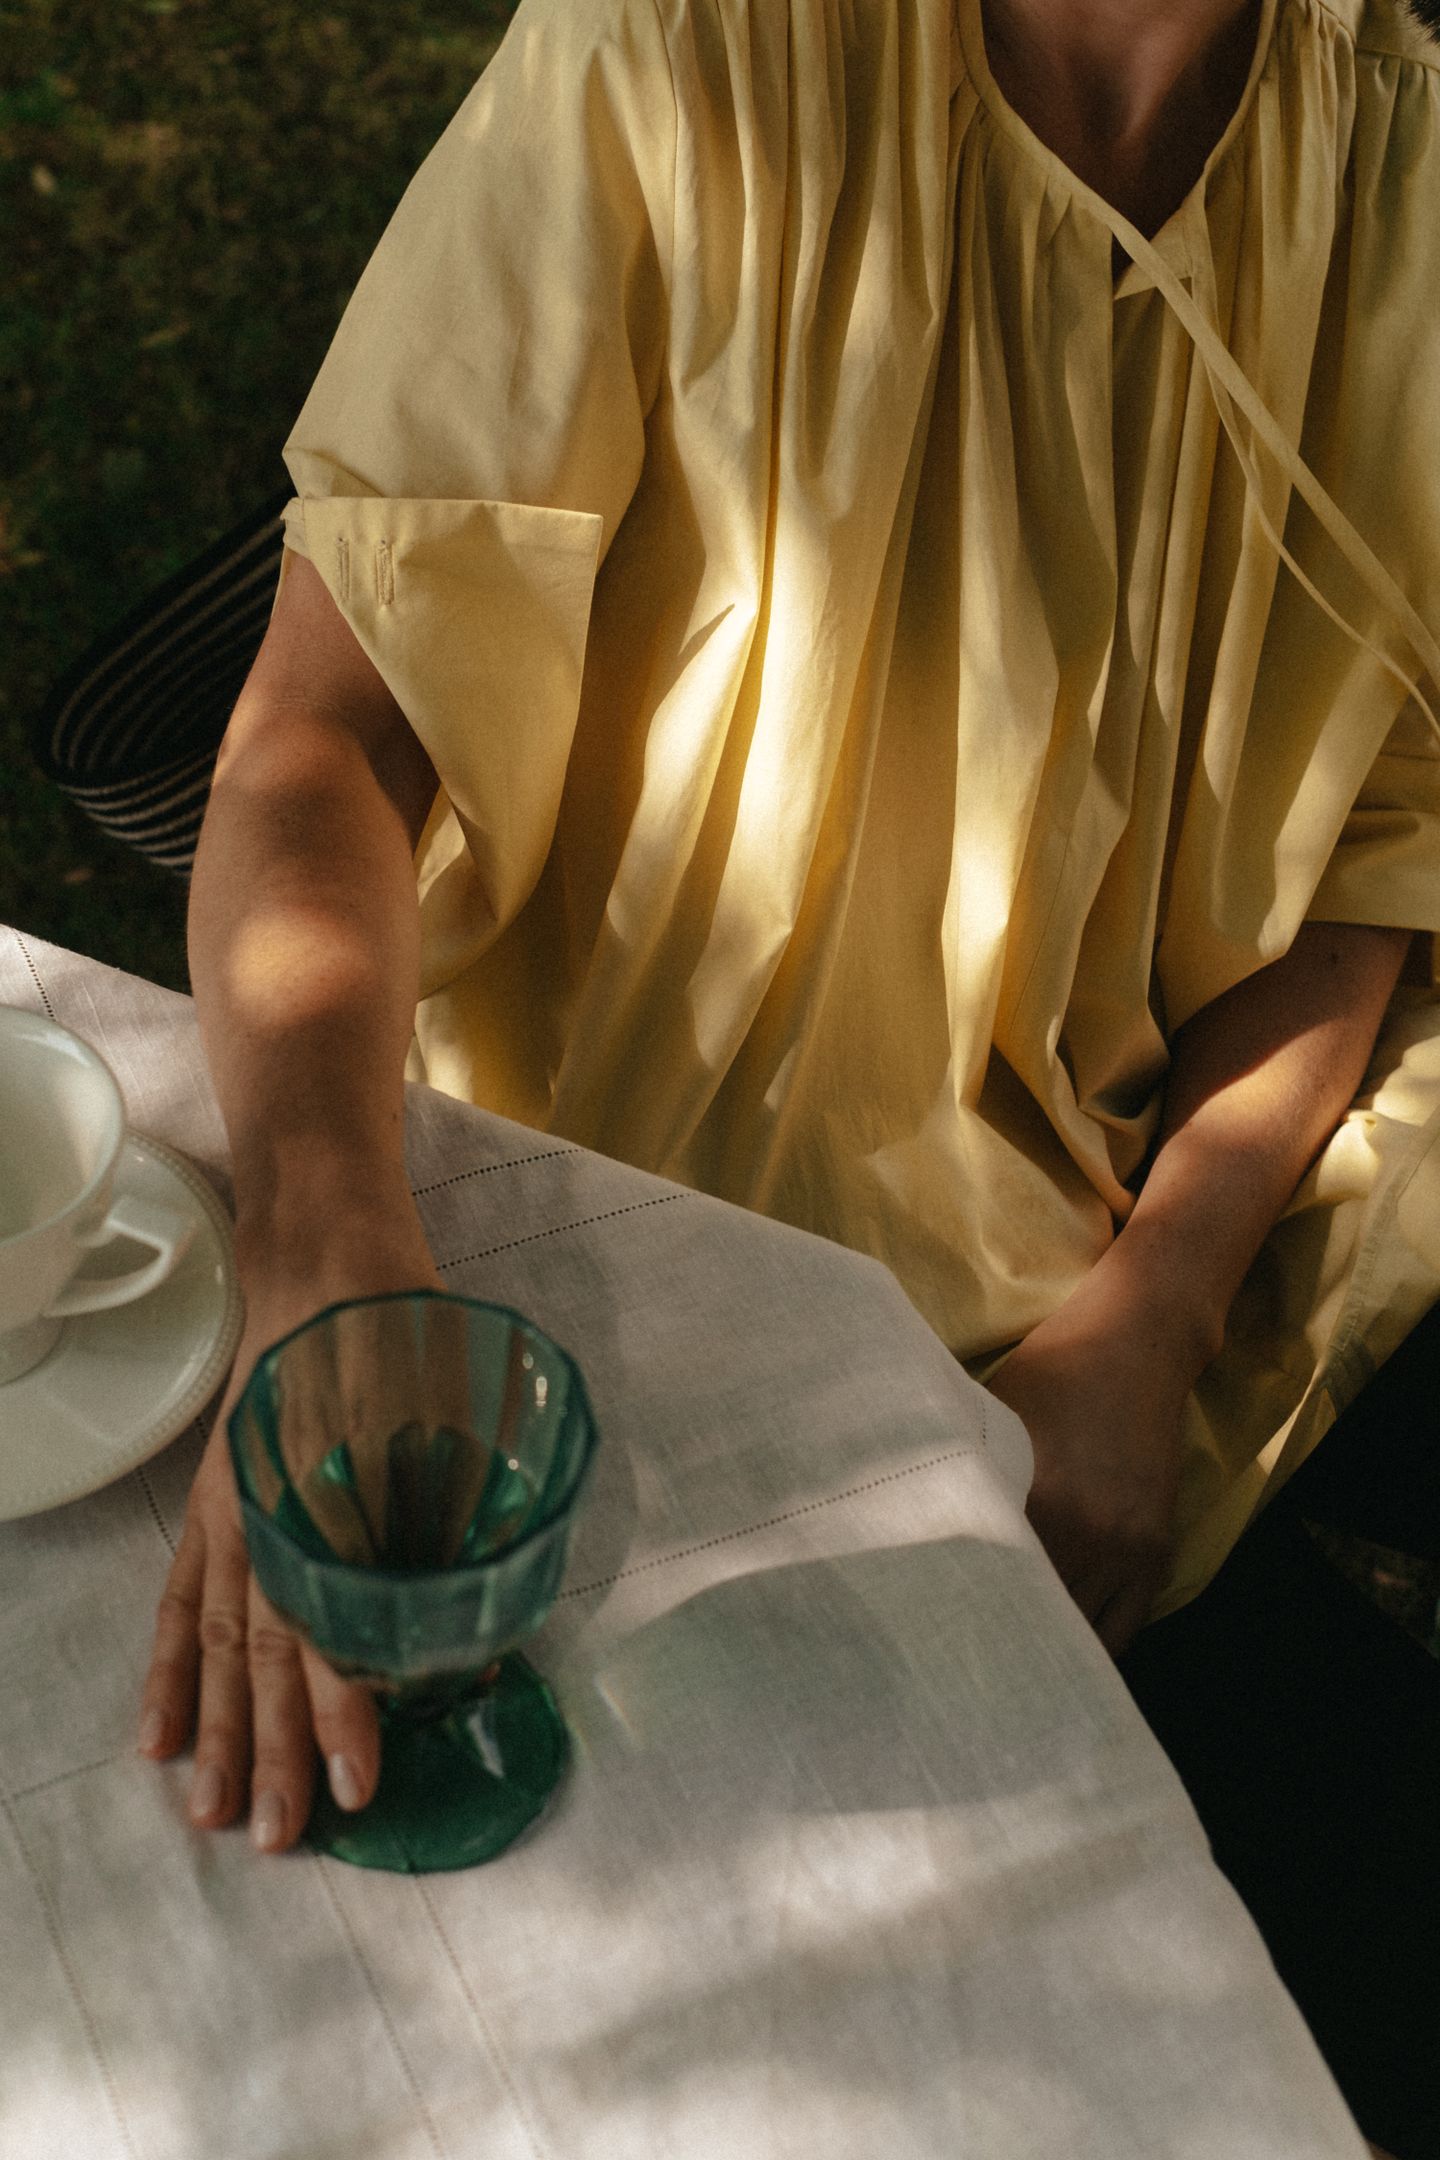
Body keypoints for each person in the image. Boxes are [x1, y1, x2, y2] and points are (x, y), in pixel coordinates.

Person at [137, 0, 1438, 1934]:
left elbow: (1379, 841)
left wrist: (1159, 1306)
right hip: (552, 1268)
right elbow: (330, 729)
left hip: (1131, 1286)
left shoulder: (1403, 153)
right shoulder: (677, 56)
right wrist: (323, 1248)